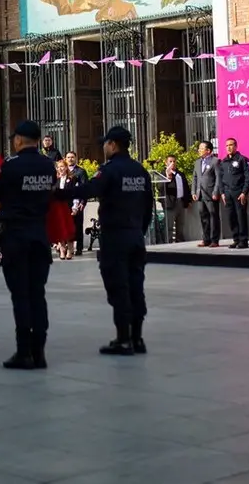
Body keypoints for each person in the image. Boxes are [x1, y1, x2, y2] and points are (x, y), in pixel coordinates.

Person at [62, 126, 154, 356]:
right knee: (135, 286)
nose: (103, 147)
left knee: (118, 287)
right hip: (134, 237)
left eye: (105, 143)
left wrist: (58, 194)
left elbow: (89, 189)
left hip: (115, 238)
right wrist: (138, 231)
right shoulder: (139, 170)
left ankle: (123, 339)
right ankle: (137, 338)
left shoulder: (110, 171)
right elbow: (148, 207)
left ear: (113, 145)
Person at [0, 121, 60, 369]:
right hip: (39, 236)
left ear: (19, 140)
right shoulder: (48, 165)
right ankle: (40, 352)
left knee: (20, 296)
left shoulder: (10, 165)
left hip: (16, 237)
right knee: (37, 294)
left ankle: (24, 352)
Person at [216, 138, 249, 249]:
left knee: (241, 217)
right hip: (227, 193)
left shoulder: (242, 159)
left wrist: (244, 192)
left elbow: (248, 177)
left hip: (239, 192)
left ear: (236, 146)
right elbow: (220, 178)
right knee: (231, 217)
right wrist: (222, 192)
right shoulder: (223, 162)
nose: (229, 147)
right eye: (227, 145)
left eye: (231, 145)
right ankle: (236, 239)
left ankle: (243, 240)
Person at [192, 141, 220, 248]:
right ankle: (205, 239)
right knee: (203, 217)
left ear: (208, 150)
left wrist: (216, 191)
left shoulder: (215, 161)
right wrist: (193, 191)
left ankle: (214, 240)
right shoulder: (197, 162)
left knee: (213, 216)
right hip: (200, 194)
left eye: (201, 148)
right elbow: (195, 178)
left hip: (211, 194)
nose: (199, 150)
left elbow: (218, 178)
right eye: (199, 148)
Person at [63, 152, 88, 256]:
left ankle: (79, 248)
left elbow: (85, 188)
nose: (70, 159)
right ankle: (65, 248)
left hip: (77, 202)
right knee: (65, 225)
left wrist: (83, 202)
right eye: (68, 157)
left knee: (78, 225)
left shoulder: (81, 171)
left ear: (76, 158)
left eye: (72, 157)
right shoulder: (63, 170)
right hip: (65, 203)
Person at [161, 154, 189, 244]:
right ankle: (168, 242)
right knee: (169, 225)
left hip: (180, 202)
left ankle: (180, 241)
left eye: (174, 161)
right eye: (170, 161)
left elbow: (186, 187)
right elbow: (160, 187)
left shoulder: (180, 174)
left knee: (180, 224)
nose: (172, 163)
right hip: (170, 203)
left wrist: (188, 200)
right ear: (166, 163)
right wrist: (167, 176)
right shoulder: (162, 174)